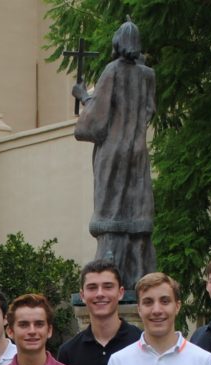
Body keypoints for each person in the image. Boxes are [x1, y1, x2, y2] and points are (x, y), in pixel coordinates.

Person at [72, 18, 156, 289]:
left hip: (113, 153)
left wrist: (83, 96)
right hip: (137, 154)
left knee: (110, 212)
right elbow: (148, 111)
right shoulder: (147, 75)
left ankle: (111, 271)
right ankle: (139, 272)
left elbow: (96, 120)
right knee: (135, 213)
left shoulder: (113, 71)